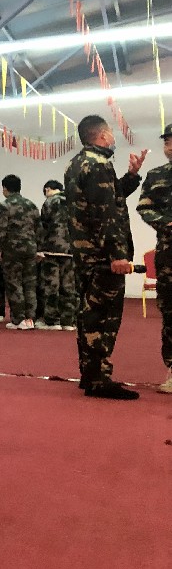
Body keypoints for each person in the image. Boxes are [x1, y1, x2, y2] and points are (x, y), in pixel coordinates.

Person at [65, 114, 146, 399]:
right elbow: (105, 214)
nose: (113, 137)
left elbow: (109, 198)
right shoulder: (98, 165)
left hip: (85, 254)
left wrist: (132, 176)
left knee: (88, 314)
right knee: (104, 317)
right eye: (110, 132)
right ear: (101, 135)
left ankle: (89, 374)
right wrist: (117, 255)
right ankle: (99, 378)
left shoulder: (77, 164)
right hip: (102, 256)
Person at [136, 123, 172, 394]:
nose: (168, 147)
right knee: (170, 311)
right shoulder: (156, 175)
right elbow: (144, 207)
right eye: (166, 142)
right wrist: (166, 224)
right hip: (169, 253)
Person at [0, 175, 40, 330]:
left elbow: (0, 230)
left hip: (12, 249)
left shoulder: (3, 206)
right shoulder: (31, 205)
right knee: (30, 284)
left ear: (5, 188)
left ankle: (18, 319)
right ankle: (30, 318)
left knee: (14, 283)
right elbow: (38, 228)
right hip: (30, 248)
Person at [36, 179, 77, 330]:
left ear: (48, 189)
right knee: (69, 287)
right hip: (71, 250)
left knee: (51, 286)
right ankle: (68, 321)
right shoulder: (73, 201)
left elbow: (43, 227)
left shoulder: (49, 202)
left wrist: (39, 248)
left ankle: (52, 320)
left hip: (51, 250)